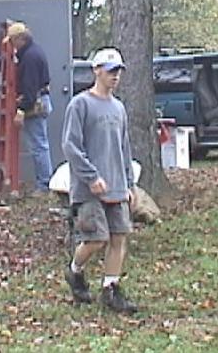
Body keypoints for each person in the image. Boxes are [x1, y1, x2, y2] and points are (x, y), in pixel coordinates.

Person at [61, 47, 138, 314]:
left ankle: (111, 288)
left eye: (118, 71)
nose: (115, 76)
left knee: (119, 236)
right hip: (89, 189)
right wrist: (91, 177)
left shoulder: (118, 108)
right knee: (96, 239)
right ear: (97, 71)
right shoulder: (80, 104)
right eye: (110, 71)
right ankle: (75, 270)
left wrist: (129, 184)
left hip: (117, 185)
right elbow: (71, 146)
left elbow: (124, 147)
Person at [4, 22, 53, 195]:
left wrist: (21, 109)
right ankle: (44, 182)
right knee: (40, 144)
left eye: (12, 41)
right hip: (39, 100)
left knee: (39, 145)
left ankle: (44, 184)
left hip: (35, 103)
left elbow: (30, 88)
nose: (11, 45)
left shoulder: (30, 57)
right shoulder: (33, 52)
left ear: (19, 39)